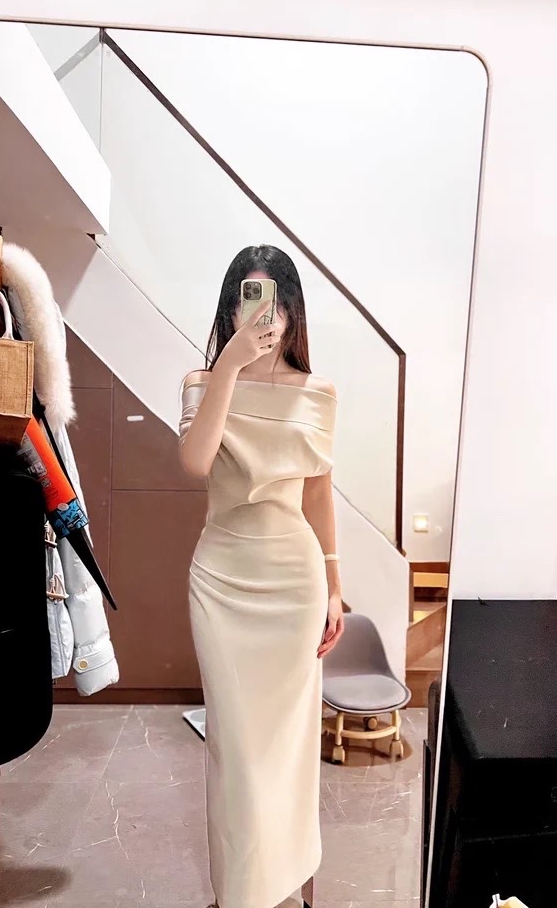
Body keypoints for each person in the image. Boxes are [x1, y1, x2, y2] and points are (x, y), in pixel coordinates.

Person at [179, 245, 345, 908]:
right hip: (221, 581)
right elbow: (195, 463)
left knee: (291, 748)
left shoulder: (319, 393)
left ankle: (294, 880)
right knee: (237, 754)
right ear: (230, 309)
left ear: (293, 312)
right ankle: (240, 893)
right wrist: (229, 365)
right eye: (247, 300)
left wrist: (335, 586)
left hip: (294, 582)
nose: (261, 315)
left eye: (273, 302)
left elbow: (319, 492)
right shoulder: (203, 381)